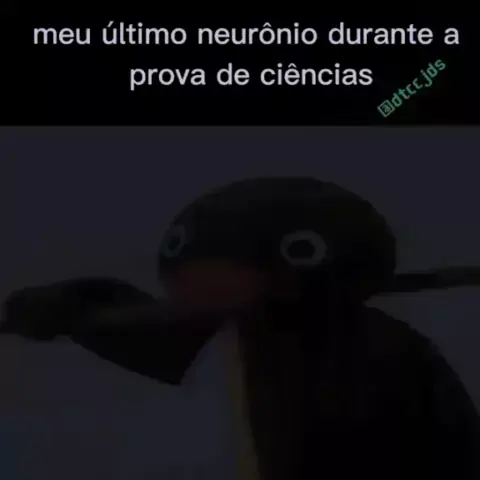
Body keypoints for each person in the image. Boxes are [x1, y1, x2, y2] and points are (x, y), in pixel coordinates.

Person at [2, 177, 479, 479]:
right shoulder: (232, 329)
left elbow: (453, 440)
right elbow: (145, 333)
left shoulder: (386, 347)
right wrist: (65, 306)